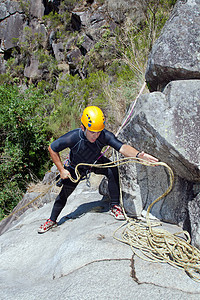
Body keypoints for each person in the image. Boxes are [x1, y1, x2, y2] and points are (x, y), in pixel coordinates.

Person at [38, 106, 158, 233]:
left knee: (112, 169)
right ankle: (52, 220)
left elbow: (122, 148)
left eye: (98, 132)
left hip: (95, 162)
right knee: (64, 193)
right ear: (83, 127)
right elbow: (52, 148)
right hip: (76, 168)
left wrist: (139, 155)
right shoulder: (73, 137)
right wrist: (62, 170)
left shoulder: (104, 135)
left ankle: (115, 206)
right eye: (92, 132)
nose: (95, 135)